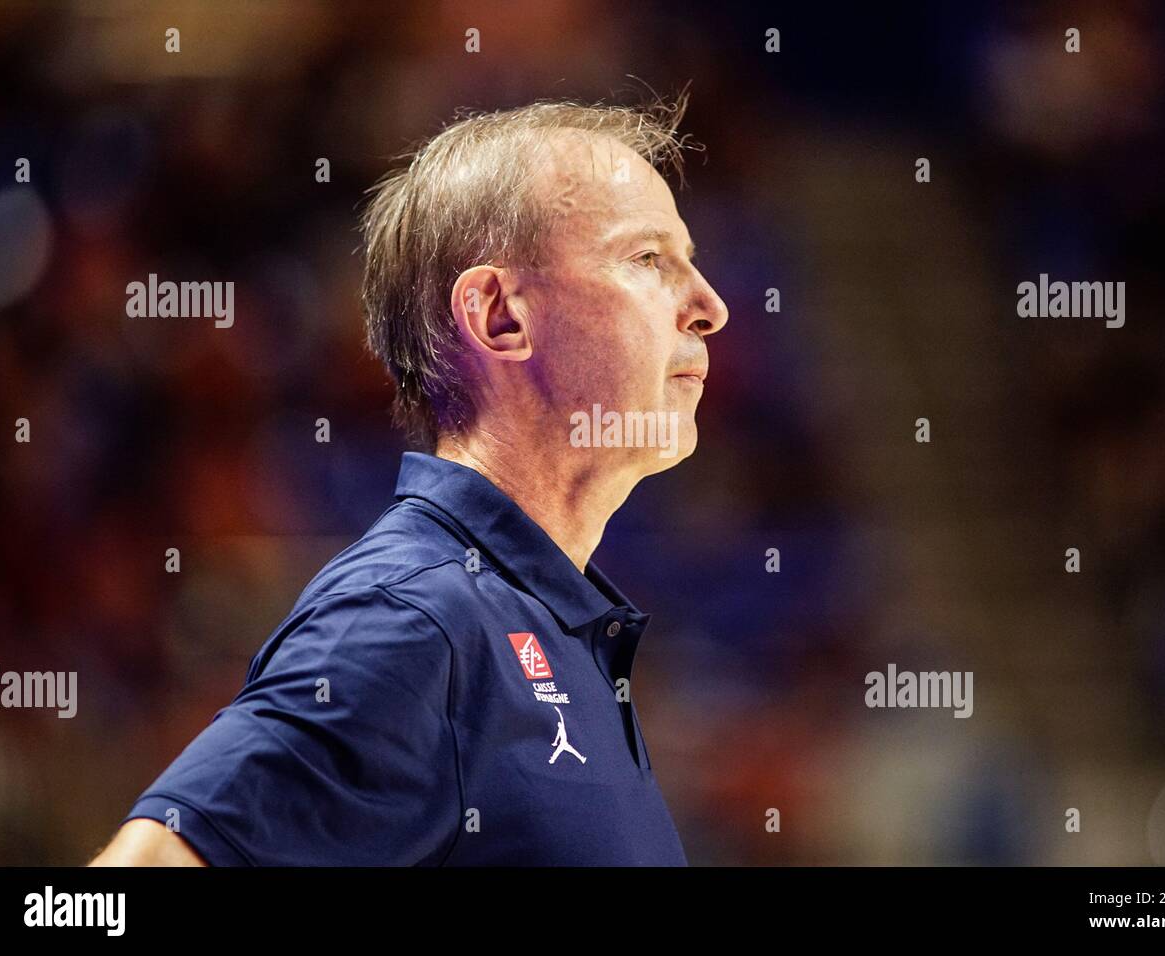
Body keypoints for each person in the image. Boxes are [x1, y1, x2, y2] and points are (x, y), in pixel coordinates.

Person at [89, 92, 729, 866]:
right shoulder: (415, 617)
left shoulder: (545, 626)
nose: (709, 306)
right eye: (648, 259)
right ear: (499, 315)